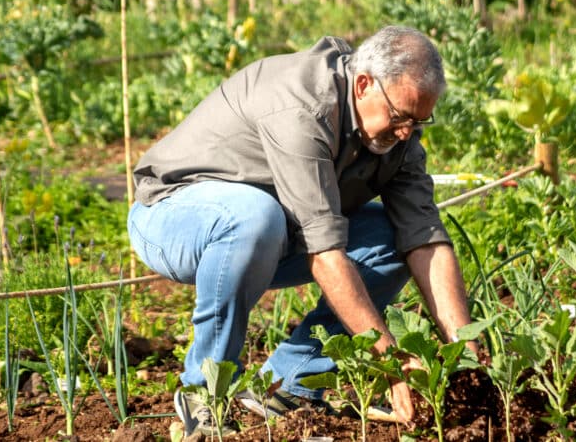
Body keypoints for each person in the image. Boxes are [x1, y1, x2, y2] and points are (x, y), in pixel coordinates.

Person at [127, 25, 477, 437]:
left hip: (269, 231)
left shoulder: (398, 140)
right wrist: (390, 361)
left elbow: (426, 240)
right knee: (255, 217)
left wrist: (465, 354)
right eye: (400, 117)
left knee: (391, 239)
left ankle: (285, 386)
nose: (406, 132)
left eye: (419, 122)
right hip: (173, 215)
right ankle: (205, 390)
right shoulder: (304, 106)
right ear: (363, 84)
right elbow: (326, 257)